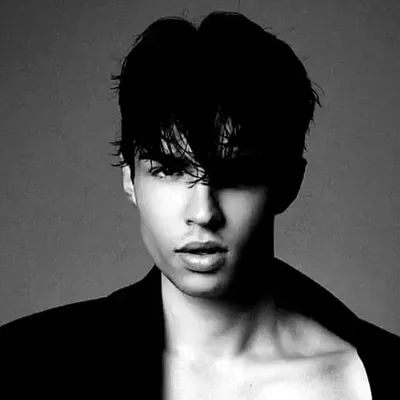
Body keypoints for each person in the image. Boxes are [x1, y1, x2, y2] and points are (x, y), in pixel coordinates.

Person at [0, 10, 399, 399]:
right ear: (130, 179)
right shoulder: (26, 364)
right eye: (168, 170)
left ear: (288, 183)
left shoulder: (363, 378)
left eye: (236, 174)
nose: (203, 213)